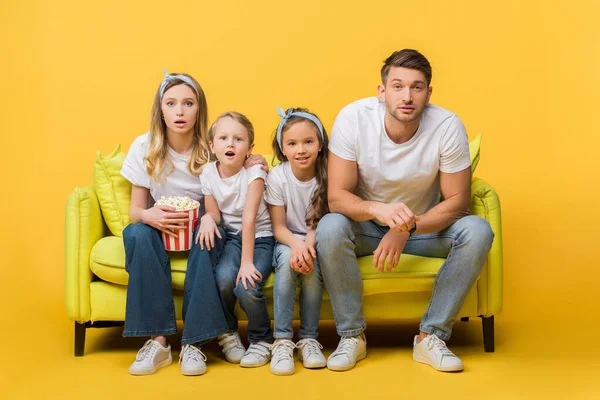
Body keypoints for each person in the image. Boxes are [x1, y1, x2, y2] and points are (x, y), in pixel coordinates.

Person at [316, 49, 495, 372]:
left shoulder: (447, 125)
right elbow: (337, 198)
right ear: (382, 92)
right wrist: (379, 211)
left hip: (423, 229)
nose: (407, 96)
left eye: (417, 87)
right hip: (367, 227)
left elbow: (458, 202)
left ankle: (431, 337)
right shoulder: (353, 118)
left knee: (478, 230)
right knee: (330, 226)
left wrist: (406, 228)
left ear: (428, 93)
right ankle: (352, 336)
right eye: (398, 86)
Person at [121, 71, 266, 376]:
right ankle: (158, 342)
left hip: (207, 224)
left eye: (188, 103)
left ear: (199, 109)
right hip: (160, 226)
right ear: (160, 108)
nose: (180, 111)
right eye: (171, 103)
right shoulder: (144, 146)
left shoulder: (212, 145)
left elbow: (239, 162)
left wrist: (255, 161)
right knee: (135, 233)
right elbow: (136, 209)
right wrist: (149, 215)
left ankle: (194, 343)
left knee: (206, 235)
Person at [198, 111, 275, 368]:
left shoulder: (254, 173)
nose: (230, 144)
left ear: (250, 148)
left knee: (246, 284)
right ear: (212, 146)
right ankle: (228, 331)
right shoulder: (208, 173)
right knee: (222, 280)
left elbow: (250, 219)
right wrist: (207, 219)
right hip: (232, 237)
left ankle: (262, 339)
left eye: (238, 139)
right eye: (223, 138)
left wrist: (247, 262)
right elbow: (214, 213)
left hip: (261, 237)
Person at [264, 107, 329, 375]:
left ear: (320, 144)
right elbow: (279, 228)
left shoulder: (328, 174)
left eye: (308, 142)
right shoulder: (278, 177)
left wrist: (309, 243)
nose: (301, 150)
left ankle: (309, 338)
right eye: (292, 144)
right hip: (286, 239)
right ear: (283, 148)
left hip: (315, 236)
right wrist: (297, 246)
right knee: (289, 266)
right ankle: (281, 340)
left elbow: (321, 221)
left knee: (312, 268)